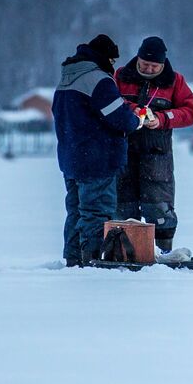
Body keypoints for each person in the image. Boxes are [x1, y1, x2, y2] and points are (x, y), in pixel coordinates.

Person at [53, 34, 145, 266]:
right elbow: (119, 118)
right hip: (97, 160)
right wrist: (137, 120)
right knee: (97, 212)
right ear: (106, 58)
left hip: (71, 159)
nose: (113, 67)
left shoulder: (67, 79)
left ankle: (73, 259)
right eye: (113, 62)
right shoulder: (99, 81)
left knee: (75, 212)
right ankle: (92, 261)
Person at [113, 36, 193, 254]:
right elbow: (110, 100)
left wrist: (163, 119)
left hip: (157, 158)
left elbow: (191, 112)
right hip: (123, 153)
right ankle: (124, 254)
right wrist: (132, 109)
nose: (149, 69)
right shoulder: (120, 76)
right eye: (144, 64)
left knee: (160, 210)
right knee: (123, 208)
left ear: (163, 64)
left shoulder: (175, 81)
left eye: (154, 66)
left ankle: (163, 254)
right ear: (137, 59)